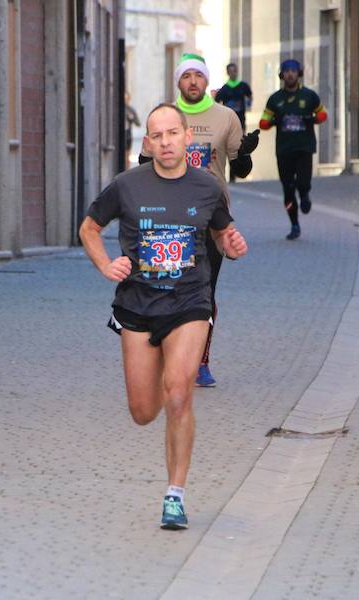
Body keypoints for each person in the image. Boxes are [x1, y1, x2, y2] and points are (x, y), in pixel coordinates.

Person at [79, 103, 248, 530]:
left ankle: (175, 494)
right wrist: (106, 264)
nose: (166, 142)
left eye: (173, 133)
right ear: (148, 143)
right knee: (142, 411)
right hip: (137, 304)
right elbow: (89, 228)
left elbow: (221, 232)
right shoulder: (127, 185)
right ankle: (158, 375)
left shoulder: (207, 187)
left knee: (179, 395)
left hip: (190, 301)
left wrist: (231, 245)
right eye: (157, 136)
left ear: (187, 137)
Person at [140, 53, 258, 388]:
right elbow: (144, 164)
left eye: (198, 75)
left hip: (211, 216)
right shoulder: (163, 116)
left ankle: (201, 361)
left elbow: (241, 170)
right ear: (178, 80)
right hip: (169, 213)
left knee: (204, 291)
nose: (193, 81)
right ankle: (169, 355)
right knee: (167, 288)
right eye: (186, 76)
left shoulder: (226, 117)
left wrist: (245, 152)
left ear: (207, 80)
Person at [259, 59, 327, 240]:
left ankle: (305, 195)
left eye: (293, 71)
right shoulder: (275, 99)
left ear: (299, 74)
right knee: (288, 189)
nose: (290, 74)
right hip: (284, 149)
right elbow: (263, 122)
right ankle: (294, 224)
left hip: (304, 147)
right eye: (287, 71)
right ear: (282, 75)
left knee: (303, 182)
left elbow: (323, 114)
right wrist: (274, 122)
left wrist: (312, 119)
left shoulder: (309, 96)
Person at [214, 63, 253, 133]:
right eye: (230, 71)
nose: (233, 73)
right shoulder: (224, 89)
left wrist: (249, 104)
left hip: (241, 118)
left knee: (241, 135)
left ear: (237, 71)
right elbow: (216, 101)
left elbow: (249, 96)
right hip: (228, 119)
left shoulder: (243, 86)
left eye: (234, 71)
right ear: (227, 73)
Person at [124, 92, 141, 165]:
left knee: (127, 156)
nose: (125, 101)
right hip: (118, 136)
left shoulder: (131, 110)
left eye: (127, 99)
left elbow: (138, 123)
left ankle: (127, 169)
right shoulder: (117, 109)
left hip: (127, 135)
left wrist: (132, 118)